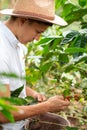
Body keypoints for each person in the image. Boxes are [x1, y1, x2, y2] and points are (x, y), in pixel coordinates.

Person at [0, 0, 70, 130]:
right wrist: (46, 106)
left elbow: (9, 84)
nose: (38, 38)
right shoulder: (1, 51)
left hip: (21, 121)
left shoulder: (16, 43)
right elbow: (2, 114)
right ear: (23, 21)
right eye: (38, 32)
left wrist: (32, 93)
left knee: (60, 123)